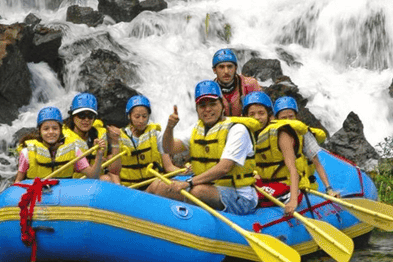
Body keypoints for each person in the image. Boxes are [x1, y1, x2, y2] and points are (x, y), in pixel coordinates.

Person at [152, 80, 260, 214]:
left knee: (198, 191)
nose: (207, 109)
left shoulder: (238, 130)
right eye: (202, 105)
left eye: (213, 104)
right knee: (157, 185)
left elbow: (224, 167)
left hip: (240, 197)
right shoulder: (196, 129)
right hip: (207, 186)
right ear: (196, 109)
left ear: (222, 105)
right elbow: (169, 149)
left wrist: (189, 182)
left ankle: (189, 223)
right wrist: (169, 127)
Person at [241, 90, 303, 215]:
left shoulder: (281, 133)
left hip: (285, 184)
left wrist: (293, 200)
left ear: (270, 116)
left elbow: (293, 169)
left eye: (261, 113)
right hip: (265, 182)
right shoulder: (248, 134)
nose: (257, 118)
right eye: (251, 114)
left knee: (251, 198)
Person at [14, 104, 106, 183]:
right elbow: (18, 181)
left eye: (55, 128)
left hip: (64, 198)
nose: (51, 132)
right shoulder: (27, 153)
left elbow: (93, 176)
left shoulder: (74, 150)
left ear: (60, 131)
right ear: (40, 131)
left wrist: (99, 154)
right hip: (38, 197)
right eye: (46, 129)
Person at [106, 94, 181, 188]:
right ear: (129, 116)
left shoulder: (155, 134)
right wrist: (115, 142)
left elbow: (169, 167)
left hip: (153, 186)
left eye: (144, 116)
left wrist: (183, 172)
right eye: (137, 117)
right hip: (130, 188)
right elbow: (114, 172)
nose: (141, 121)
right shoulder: (118, 136)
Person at [272, 96, 338, 195]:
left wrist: (329, 188)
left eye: (291, 116)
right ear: (276, 119)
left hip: (301, 185)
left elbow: (316, 162)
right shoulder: (271, 133)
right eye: (284, 118)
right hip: (279, 185)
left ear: (296, 116)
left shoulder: (304, 133)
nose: (288, 121)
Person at [62, 93, 112, 180]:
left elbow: (113, 168)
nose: (86, 120)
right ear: (73, 116)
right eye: (81, 115)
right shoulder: (62, 138)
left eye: (90, 116)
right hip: (71, 184)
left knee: (107, 178)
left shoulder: (101, 135)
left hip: (94, 181)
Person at [211, 48, 261, 116]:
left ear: (236, 68)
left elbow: (262, 111)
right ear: (214, 70)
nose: (226, 71)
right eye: (221, 67)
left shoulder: (250, 85)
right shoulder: (210, 91)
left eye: (230, 66)